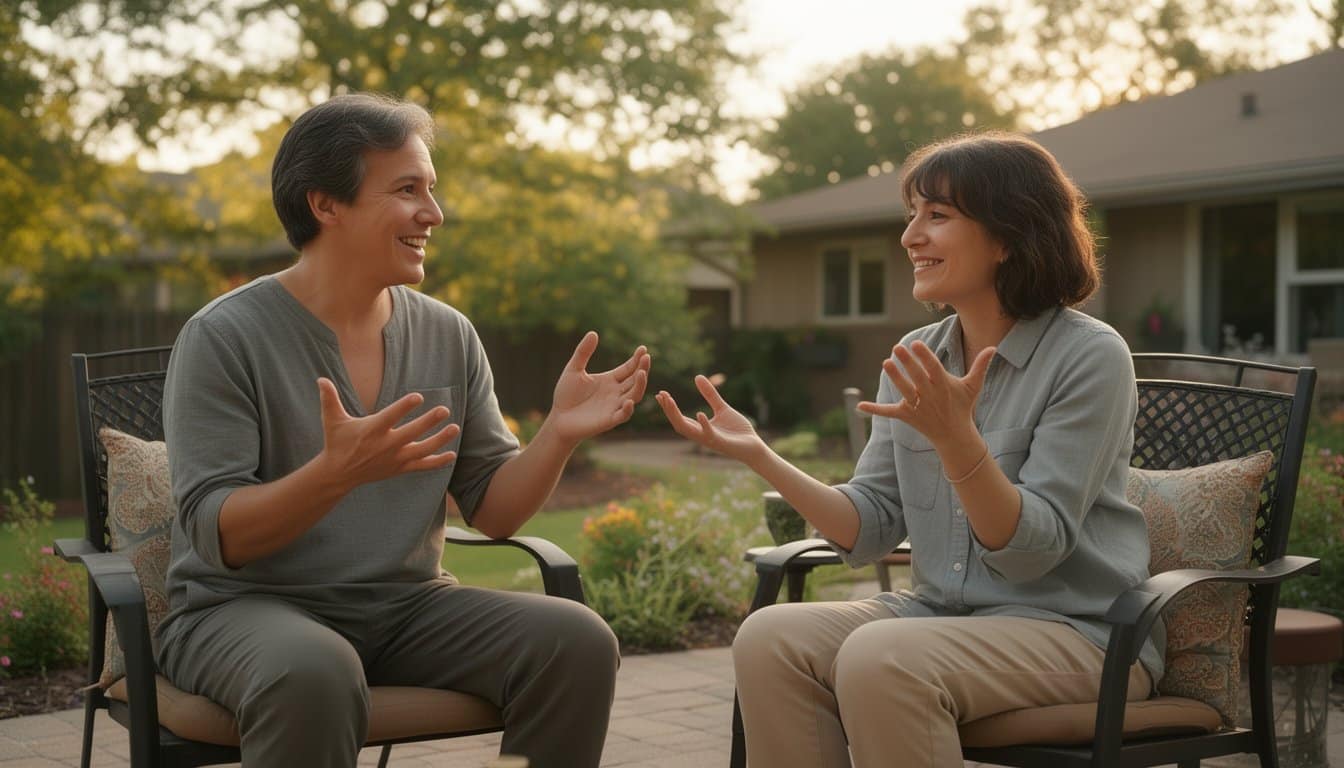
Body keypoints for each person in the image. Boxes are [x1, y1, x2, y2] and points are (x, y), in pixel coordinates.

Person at [157, 93, 648, 768]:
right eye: (407, 189)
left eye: (432, 190)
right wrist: (334, 475)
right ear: (326, 204)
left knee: (577, 641)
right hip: (242, 612)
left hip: (407, 608)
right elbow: (220, 535)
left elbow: (495, 509)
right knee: (313, 670)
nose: (434, 214)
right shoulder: (225, 336)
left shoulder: (447, 333)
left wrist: (558, 434)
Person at [656, 131, 1164, 767]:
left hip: (1077, 633)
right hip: (940, 616)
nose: (910, 237)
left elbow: (1034, 552)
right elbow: (868, 526)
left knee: (883, 656)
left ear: (1009, 237)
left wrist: (959, 442)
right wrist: (761, 454)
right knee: (769, 637)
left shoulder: (1088, 356)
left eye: (938, 216)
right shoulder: (915, 357)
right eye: (912, 215)